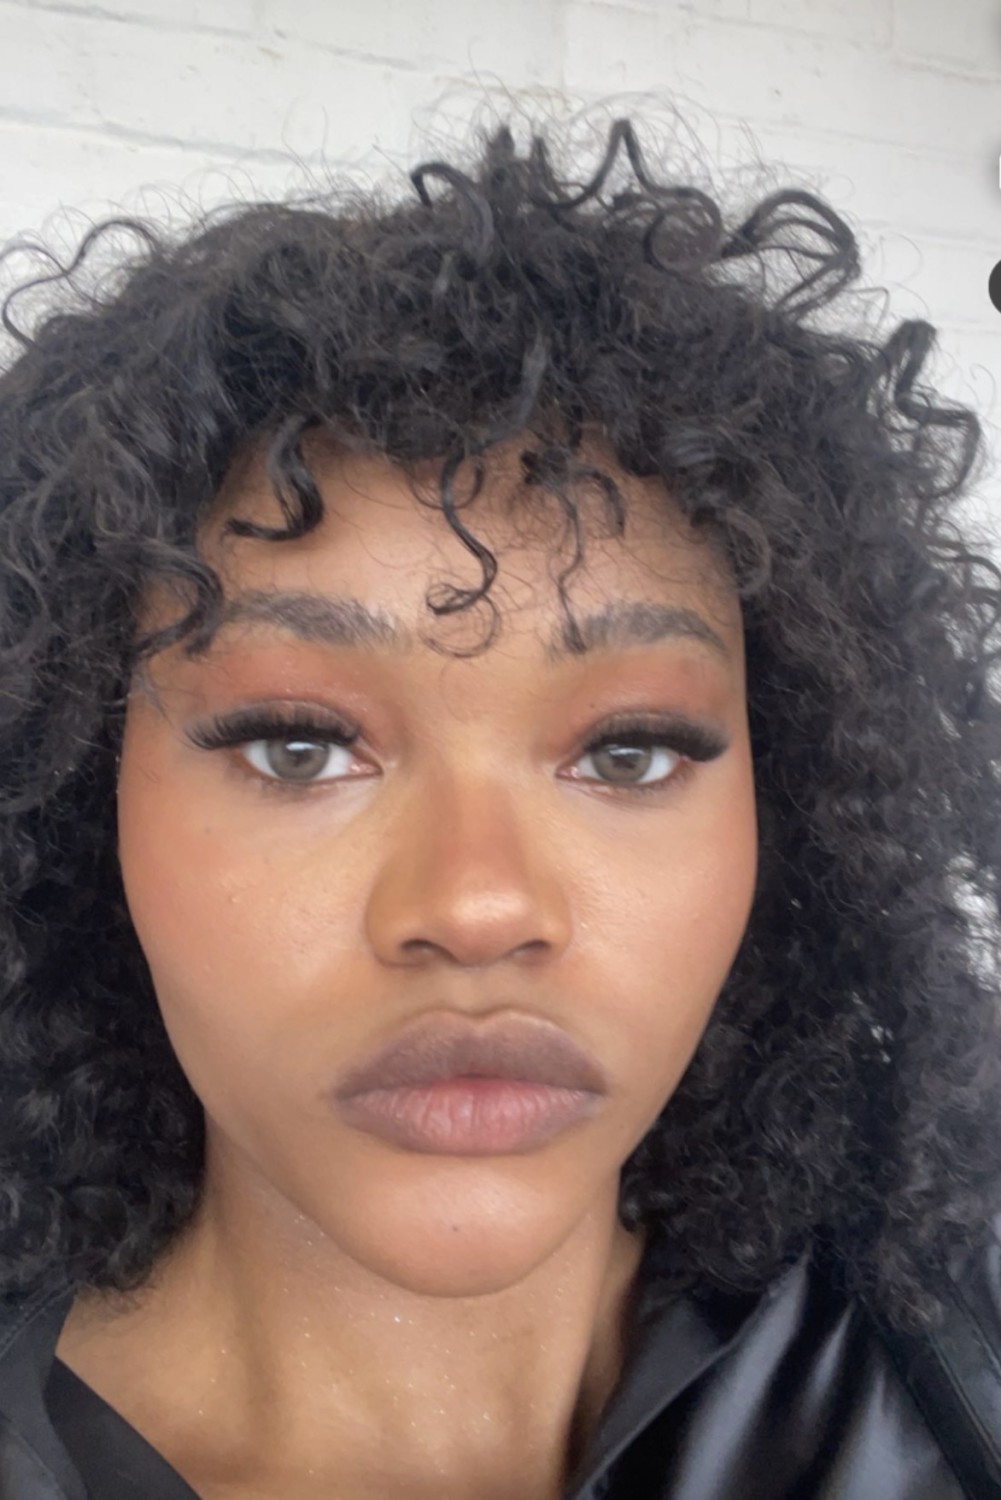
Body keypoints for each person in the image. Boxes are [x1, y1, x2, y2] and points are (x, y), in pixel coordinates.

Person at [0, 113, 999, 1500]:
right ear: (76, 808)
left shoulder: (955, 1359)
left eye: (630, 752)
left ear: (796, 821)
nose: (478, 908)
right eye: (297, 746)